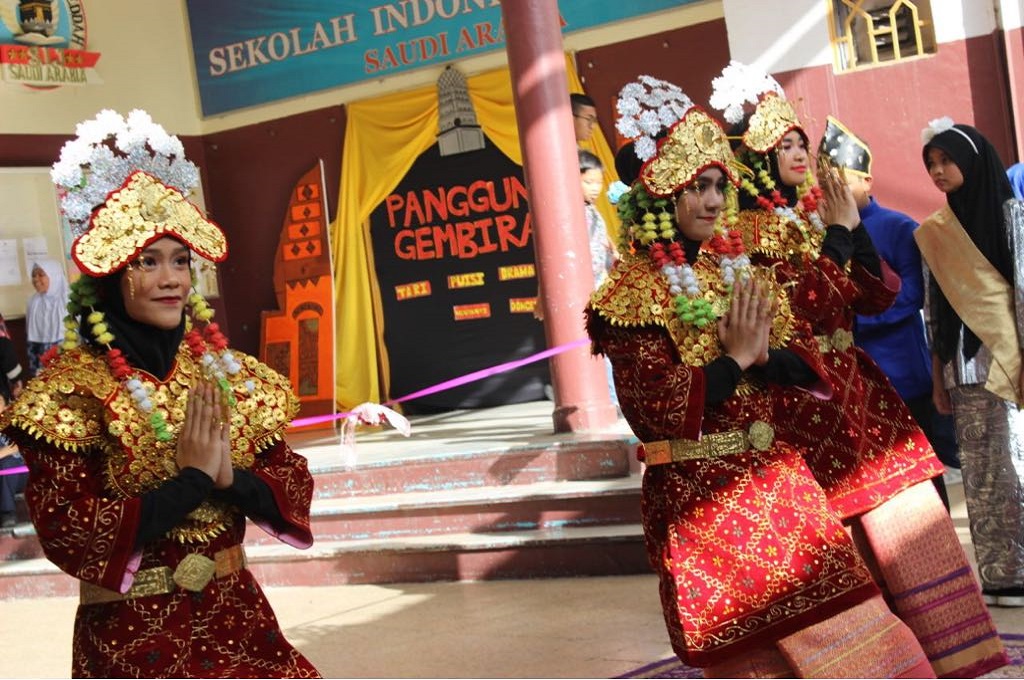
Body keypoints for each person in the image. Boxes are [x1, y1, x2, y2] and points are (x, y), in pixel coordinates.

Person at [587, 77, 934, 678]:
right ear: (659, 193)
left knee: (860, 626)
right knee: (752, 654)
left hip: (778, 478)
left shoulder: (734, 273)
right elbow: (658, 412)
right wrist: (737, 361)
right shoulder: (628, 297)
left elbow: (804, 358)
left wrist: (765, 357)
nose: (716, 200)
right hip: (702, 496)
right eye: (699, 188)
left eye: (720, 185)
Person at [0, 110, 320, 678]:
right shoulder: (68, 395)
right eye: (148, 262)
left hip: (237, 619)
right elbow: (68, 529)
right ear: (108, 277)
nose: (172, 279)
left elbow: (292, 481)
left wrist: (229, 479)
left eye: (180, 261)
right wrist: (191, 482)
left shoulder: (231, 377)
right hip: (132, 637)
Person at [711, 61, 1006, 677]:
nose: (798, 153)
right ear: (757, 159)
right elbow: (802, 313)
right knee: (854, 535)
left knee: (912, 521)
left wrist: (851, 236)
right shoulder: (747, 236)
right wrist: (839, 237)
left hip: (861, 388)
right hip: (808, 400)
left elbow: (874, 295)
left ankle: (949, 653)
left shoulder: (810, 217)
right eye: (783, 146)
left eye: (800, 143)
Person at [819, 116, 960, 509]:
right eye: (826, 185)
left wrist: (856, 316)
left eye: (841, 183)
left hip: (902, 373)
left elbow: (915, 293)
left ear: (867, 181)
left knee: (922, 469)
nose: (834, 193)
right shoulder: (824, 234)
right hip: (850, 379)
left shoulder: (899, 227)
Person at [916, 118, 1024, 608]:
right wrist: (939, 376)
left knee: (1017, 468)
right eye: (931, 164)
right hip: (963, 371)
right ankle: (1001, 575)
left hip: (1011, 362)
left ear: (973, 160)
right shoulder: (938, 232)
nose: (938, 172)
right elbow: (935, 307)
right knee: (981, 476)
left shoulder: (1011, 215)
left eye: (946, 161)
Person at [25, 257, 69, 376]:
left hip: (67, 353)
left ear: (54, 276)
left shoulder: (68, 300)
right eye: (34, 275)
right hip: (40, 352)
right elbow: (31, 336)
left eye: (41, 275)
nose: (36, 279)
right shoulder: (33, 302)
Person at [0, 376, 26, 528]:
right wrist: (3, 452)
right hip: (5, 472)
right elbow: (8, 449)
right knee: (5, 464)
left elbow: (20, 444)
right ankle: (8, 512)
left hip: (22, 470)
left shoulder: (13, 421)